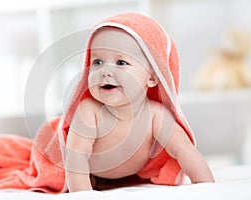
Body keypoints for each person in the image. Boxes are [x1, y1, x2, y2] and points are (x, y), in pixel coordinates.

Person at [63, 13, 215, 192]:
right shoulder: (89, 111)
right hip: (90, 172)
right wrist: (83, 194)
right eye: (97, 62)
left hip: (129, 173)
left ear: (151, 77)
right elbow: (76, 156)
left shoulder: (155, 115)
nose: (105, 71)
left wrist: (206, 186)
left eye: (121, 62)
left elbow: (183, 149)